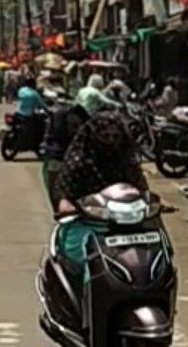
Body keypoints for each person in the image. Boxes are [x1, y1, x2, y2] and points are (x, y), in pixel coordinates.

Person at [53, 110, 151, 271]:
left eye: (115, 137)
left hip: (128, 220)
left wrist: (150, 201)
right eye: (106, 137)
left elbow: (141, 185)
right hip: (89, 221)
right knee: (80, 260)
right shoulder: (79, 160)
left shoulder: (126, 159)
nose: (111, 142)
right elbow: (63, 188)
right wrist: (65, 203)